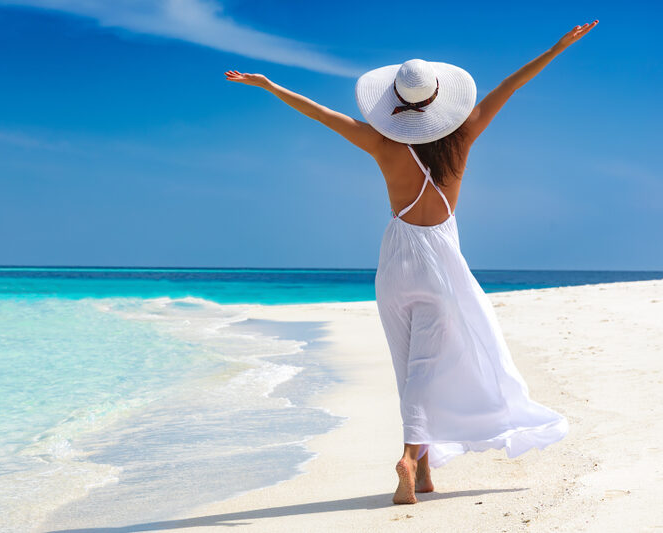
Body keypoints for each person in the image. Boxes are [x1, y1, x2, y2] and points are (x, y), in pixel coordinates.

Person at [225, 21, 598, 504]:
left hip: (396, 262)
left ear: (397, 104)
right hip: (439, 262)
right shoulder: (462, 138)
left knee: (407, 367)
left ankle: (422, 473)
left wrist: (269, 86)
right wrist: (558, 46)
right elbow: (511, 84)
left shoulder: (381, 144)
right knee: (427, 365)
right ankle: (409, 456)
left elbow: (320, 113)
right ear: (442, 100)